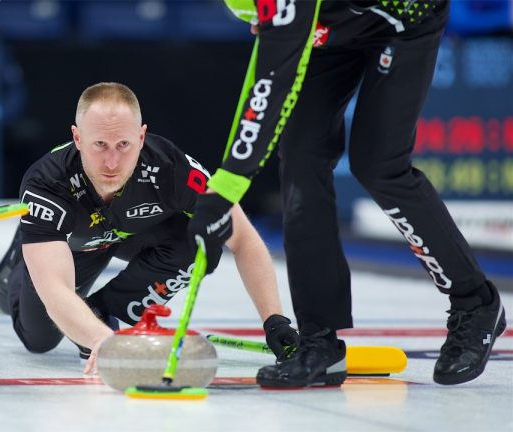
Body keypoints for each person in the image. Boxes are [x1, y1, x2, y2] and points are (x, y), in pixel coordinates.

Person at [188, 0, 507, 387]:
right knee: (302, 162)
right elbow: (267, 70)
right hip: (326, 31)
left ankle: (474, 302)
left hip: (402, 22)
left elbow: (269, 82)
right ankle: (319, 339)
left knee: (379, 165)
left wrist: (224, 189)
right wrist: (225, 185)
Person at [0, 82, 298, 373]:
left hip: (131, 232)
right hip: (74, 245)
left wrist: (274, 320)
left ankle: (103, 310)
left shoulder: (171, 168)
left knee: (205, 242)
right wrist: (103, 341)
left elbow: (242, 238)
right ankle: (22, 256)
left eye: (123, 144)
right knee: (39, 340)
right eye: (99, 144)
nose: (112, 162)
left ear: (141, 138)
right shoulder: (46, 184)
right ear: (77, 138)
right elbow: (55, 289)